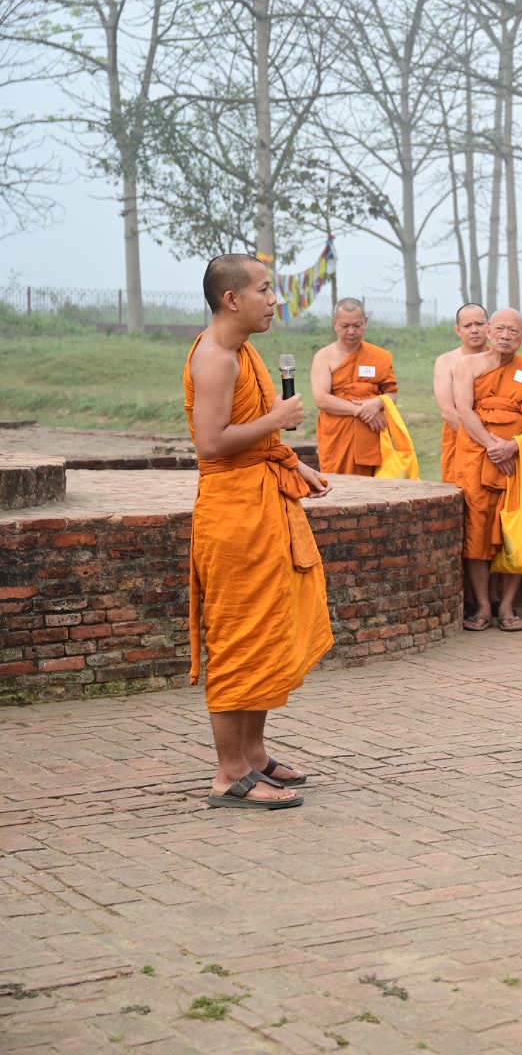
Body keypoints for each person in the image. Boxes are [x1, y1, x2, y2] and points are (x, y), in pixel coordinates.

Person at [186, 254, 332, 809]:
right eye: (266, 290)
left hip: (263, 499)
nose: (274, 300)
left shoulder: (243, 351)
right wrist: (277, 421)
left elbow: (251, 440)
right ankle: (228, 774)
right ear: (232, 299)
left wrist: (294, 464)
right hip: (234, 515)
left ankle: (254, 754)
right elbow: (212, 443)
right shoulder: (216, 358)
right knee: (239, 637)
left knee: (267, 630)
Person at [452, 307, 522, 633]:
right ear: (488, 331)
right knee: (477, 532)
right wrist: (492, 445)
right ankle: (483, 605)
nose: (506, 336)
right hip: (476, 458)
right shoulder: (466, 366)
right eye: (500, 329)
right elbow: (464, 411)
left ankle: (508, 604)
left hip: (515, 461)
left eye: (514, 331)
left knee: (517, 529)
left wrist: (513, 446)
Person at [311, 298, 397, 475]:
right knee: (338, 488)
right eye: (345, 325)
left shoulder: (379, 356)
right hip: (337, 436)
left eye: (357, 325)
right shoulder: (324, 357)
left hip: (370, 436)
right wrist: (363, 410)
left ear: (366, 322)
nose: (351, 331)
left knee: (373, 489)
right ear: (335, 323)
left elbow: (391, 394)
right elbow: (321, 399)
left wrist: (378, 403)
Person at [433, 304, 489, 481]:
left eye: (479, 324)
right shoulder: (446, 362)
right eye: (467, 326)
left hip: (497, 437)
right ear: (458, 330)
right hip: (461, 437)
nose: (474, 330)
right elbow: (448, 411)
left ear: (489, 327)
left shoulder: (500, 359)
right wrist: (483, 441)